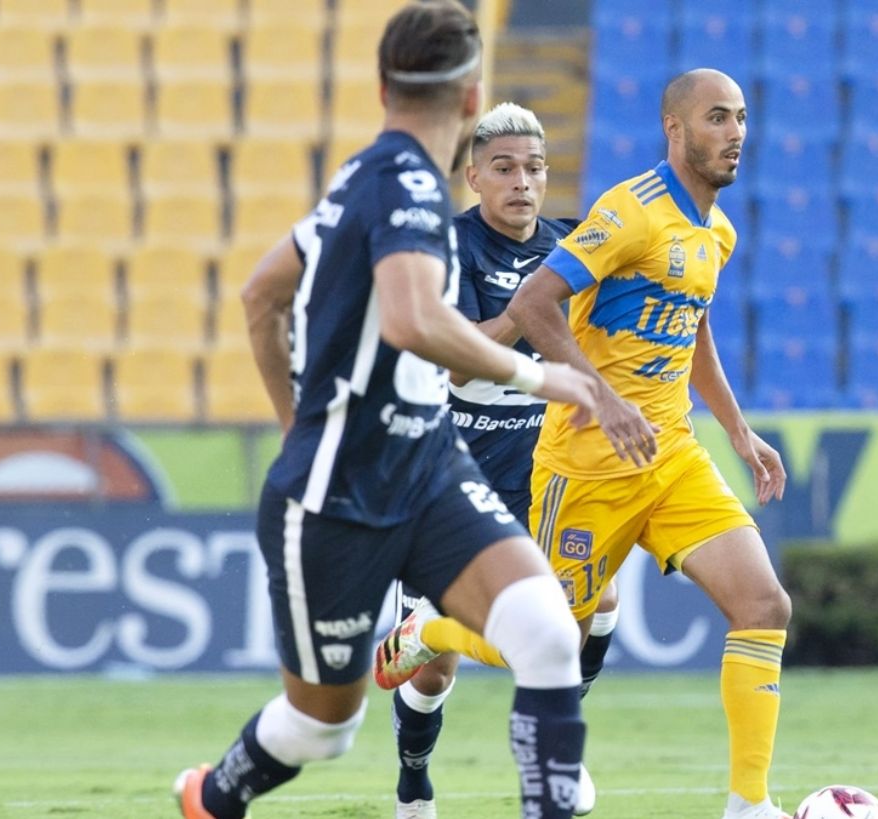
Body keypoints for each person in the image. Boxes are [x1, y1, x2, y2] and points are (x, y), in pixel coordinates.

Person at [172, 4, 600, 818]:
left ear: (381, 88)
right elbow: (411, 319)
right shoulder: (405, 184)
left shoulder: (363, 176)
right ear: (471, 98)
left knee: (547, 631)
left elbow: (261, 294)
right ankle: (214, 794)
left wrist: (295, 421)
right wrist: (541, 376)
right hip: (341, 495)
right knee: (319, 727)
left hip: (430, 470)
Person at [373, 68, 794, 819]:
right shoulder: (629, 212)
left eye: (740, 118)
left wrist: (737, 428)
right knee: (545, 643)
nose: (735, 132)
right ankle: (430, 630)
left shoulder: (717, 232)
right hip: (587, 462)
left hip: (671, 453)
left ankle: (750, 804)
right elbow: (534, 304)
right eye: (717, 118)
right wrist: (600, 396)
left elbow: (693, 325)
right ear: (675, 129)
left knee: (764, 602)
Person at [387, 101, 615, 819]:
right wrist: (534, 302)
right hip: (452, 478)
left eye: (535, 168)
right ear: (475, 177)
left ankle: (559, 747)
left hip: (545, 473)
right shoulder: (448, 248)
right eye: (506, 168)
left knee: (599, 603)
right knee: (434, 669)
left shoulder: (573, 243)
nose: (523, 182)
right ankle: (413, 780)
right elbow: (460, 361)